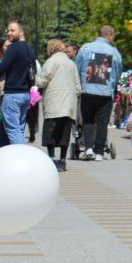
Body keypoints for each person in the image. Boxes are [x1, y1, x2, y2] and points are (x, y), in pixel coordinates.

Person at [75, 26, 123, 160]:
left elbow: (77, 67)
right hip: (105, 92)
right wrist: (113, 83)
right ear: (110, 36)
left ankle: (88, 148)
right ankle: (99, 153)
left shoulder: (85, 48)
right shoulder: (114, 52)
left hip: (87, 90)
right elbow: (118, 71)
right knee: (102, 122)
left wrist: (80, 82)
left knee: (88, 120)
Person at [37, 38, 80, 171]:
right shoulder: (71, 63)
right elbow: (78, 87)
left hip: (54, 103)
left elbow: (41, 81)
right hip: (69, 105)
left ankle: (51, 158)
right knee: (64, 133)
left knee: (51, 132)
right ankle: (62, 160)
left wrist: (34, 77)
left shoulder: (51, 61)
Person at [0, 21, 35, 145]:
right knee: (19, 128)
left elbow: (1, 68)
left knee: (12, 129)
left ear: (21, 32)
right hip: (25, 94)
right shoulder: (29, 49)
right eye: (8, 30)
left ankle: (21, 155)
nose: (9, 33)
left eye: (13, 30)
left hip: (13, 94)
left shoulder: (13, 48)